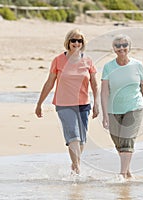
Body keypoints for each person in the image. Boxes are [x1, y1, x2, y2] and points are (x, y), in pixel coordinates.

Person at [35, 28, 99, 175]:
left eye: (79, 40)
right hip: (64, 104)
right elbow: (50, 82)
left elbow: (94, 84)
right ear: (68, 42)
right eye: (73, 40)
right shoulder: (58, 60)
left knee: (82, 140)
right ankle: (77, 169)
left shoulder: (88, 61)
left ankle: (74, 164)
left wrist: (97, 104)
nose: (76, 43)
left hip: (83, 104)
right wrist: (39, 104)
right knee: (73, 136)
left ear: (83, 43)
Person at [101, 34, 143, 180]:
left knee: (127, 140)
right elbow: (104, 91)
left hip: (135, 107)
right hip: (113, 110)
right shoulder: (108, 67)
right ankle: (127, 172)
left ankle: (122, 174)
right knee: (118, 142)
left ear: (129, 47)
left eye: (124, 45)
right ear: (113, 49)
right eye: (117, 46)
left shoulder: (137, 65)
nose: (121, 48)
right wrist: (105, 114)